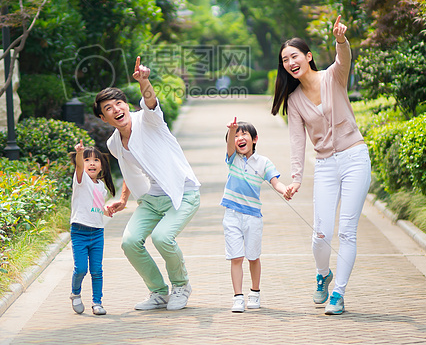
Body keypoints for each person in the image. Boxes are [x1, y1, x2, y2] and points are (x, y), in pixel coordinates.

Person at [271, 16, 371, 315]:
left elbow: (344, 59)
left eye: (294, 56)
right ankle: (323, 274)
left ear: (308, 57)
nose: (290, 62)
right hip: (326, 165)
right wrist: (296, 179)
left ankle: (338, 294)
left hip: (355, 157)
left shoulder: (332, 77)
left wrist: (340, 39)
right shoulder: (294, 100)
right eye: (285, 60)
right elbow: (297, 142)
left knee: (347, 232)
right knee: (321, 234)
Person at [97, 57, 201, 311]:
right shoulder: (113, 143)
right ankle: (158, 292)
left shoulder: (148, 120)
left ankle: (181, 286)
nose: (116, 109)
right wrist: (123, 199)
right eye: (108, 108)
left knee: (162, 237)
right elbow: (130, 170)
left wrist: (144, 80)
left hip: (183, 192)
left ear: (127, 105)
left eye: (119, 103)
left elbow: (151, 101)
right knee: (130, 242)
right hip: (152, 199)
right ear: (103, 118)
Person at [222, 117, 287, 313]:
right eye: (236, 136)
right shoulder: (232, 159)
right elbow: (230, 144)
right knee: (236, 257)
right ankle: (238, 297)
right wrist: (232, 131)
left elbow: (276, 182)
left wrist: (286, 190)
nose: (240, 138)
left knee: (253, 257)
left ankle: (255, 293)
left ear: (255, 139)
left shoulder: (263, 162)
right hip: (232, 215)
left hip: (253, 217)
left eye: (245, 134)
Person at [68, 140, 116, 316]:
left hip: (97, 232)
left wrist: (106, 210)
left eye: (96, 160)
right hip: (79, 232)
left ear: (102, 165)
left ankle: (97, 302)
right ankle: (75, 293)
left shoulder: (101, 186)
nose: (92, 163)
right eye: (88, 160)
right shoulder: (80, 180)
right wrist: (80, 153)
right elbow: (79, 167)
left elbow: (97, 205)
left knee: (97, 270)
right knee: (81, 268)